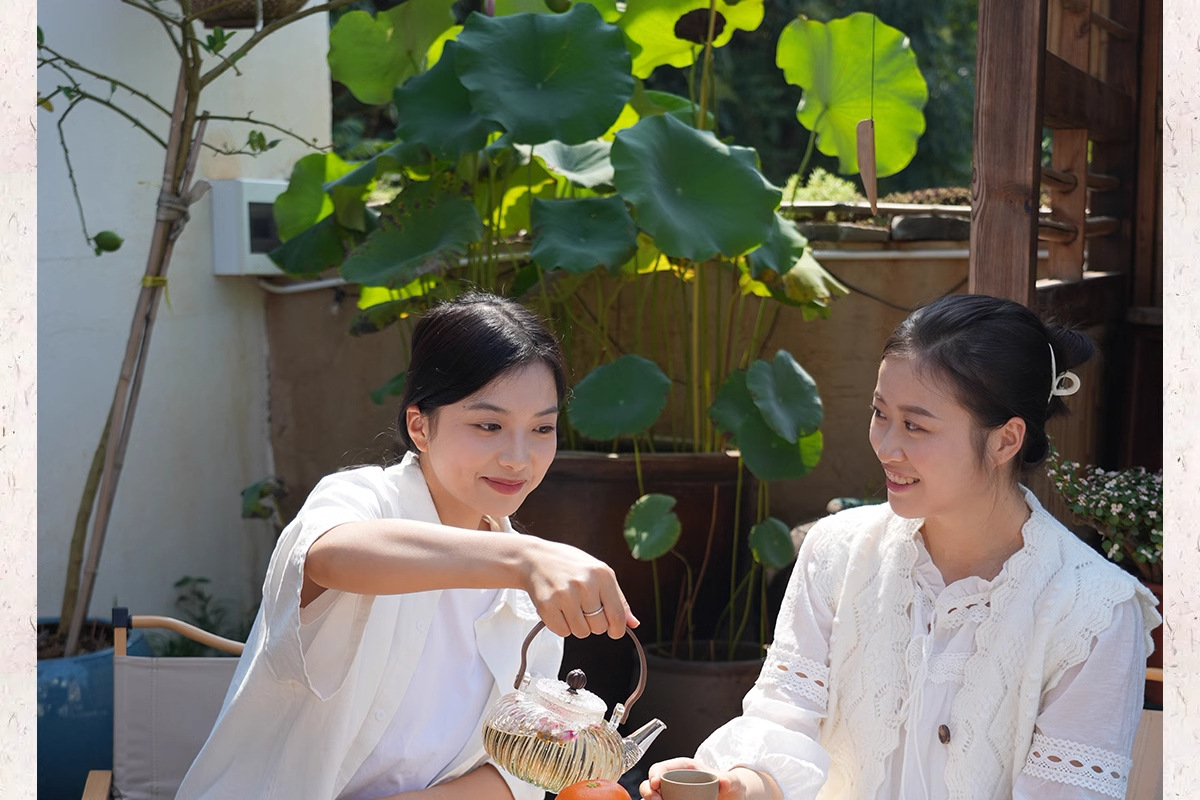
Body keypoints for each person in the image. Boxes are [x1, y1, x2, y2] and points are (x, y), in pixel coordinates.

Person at [639, 293, 1162, 800]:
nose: (887, 447)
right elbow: (783, 724)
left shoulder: (1096, 612)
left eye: (915, 425)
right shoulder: (837, 552)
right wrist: (737, 786)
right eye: (880, 413)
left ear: (1005, 439)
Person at [177, 292, 638, 800]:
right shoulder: (362, 501)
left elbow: (516, 774)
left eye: (542, 428)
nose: (518, 457)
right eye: (489, 425)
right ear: (420, 425)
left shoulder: (529, 590)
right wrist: (522, 558)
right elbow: (329, 555)